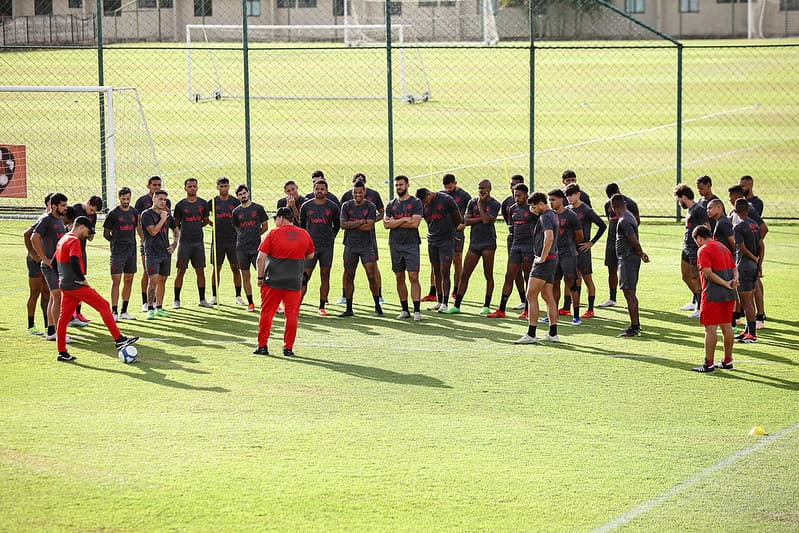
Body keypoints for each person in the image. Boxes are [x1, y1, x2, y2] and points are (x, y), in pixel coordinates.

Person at [53, 216, 138, 362]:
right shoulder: (74, 240)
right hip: (76, 285)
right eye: (87, 231)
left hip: (65, 285)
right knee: (104, 305)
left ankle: (62, 352)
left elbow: (54, 262)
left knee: (64, 318)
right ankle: (119, 340)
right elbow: (73, 261)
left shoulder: (63, 239)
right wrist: (82, 280)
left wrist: (62, 277)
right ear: (80, 227)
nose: (88, 235)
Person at [253, 207, 315, 357]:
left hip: (272, 281)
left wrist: (260, 277)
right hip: (294, 281)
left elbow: (260, 258)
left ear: (281, 218)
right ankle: (288, 348)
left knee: (267, 313)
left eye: (275, 219)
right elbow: (311, 255)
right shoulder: (304, 234)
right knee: (292, 315)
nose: (275, 222)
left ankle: (262, 346)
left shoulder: (273, 233)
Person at [445, 179, 500, 315]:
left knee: (488, 274)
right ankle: (457, 305)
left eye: (484, 188)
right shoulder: (471, 202)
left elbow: (488, 221)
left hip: (488, 243)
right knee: (465, 275)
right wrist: (481, 218)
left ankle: (486, 305)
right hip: (475, 243)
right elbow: (466, 220)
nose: (481, 190)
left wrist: (481, 206)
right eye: (479, 188)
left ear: (490, 189)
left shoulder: (495, 204)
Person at [691, 225, 738, 373]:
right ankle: (727, 361)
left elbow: (707, 272)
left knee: (710, 329)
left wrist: (724, 283)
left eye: (696, 241)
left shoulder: (703, 250)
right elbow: (734, 268)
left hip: (712, 294)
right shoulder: (723, 247)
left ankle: (708, 364)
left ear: (699, 238)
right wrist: (734, 281)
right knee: (727, 327)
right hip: (730, 293)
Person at [514, 192, 560, 344]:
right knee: (548, 296)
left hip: (545, 262)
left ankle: (531, 333)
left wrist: (542, 257)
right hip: (553, 259)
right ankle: (553, 333)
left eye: (534, 207)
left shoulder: (546, 216)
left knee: (530, 295)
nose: (532, 210)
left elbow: (549, 237)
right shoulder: (553, 214)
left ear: (541, 204)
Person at [489, 183, 536, 319]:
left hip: (528, 247)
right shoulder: (512, 209)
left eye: (520, 196)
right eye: (515, 195)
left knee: (528, 277)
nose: (517, 198)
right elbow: (512, 227)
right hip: (516, 246)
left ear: (526, 195)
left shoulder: (532, 209)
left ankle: (528, 309)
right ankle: (501, 309)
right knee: (509, 276)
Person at [338, 172, 385, 306]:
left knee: (372, 269)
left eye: (361, 182)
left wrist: (369, 222)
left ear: (365, 186)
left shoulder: (373, 198)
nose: (358, 194)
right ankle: (345, 298)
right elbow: (343, 223)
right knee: (348, 272)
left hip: (368, 241)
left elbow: (380, 213)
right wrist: (361, 222)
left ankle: (378, 297)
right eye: (355, 191)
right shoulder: (347, 199)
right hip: (350, 243)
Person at [384, 175, 424, 321]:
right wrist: (403, 219)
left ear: (407, 185)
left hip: (411, 245)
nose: (399, 187)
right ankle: (404, 309)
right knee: (399, 276)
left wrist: (396, 222)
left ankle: (417, 310)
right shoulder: (391, 204)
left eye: (401, 185)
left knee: (413, 276)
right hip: (395, 245)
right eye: (396, 185)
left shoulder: (416, 202)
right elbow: (386, 224)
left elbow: (415, 223)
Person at [416, 187, 462, 313]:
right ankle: (439, 300)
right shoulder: (424, 204)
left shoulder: (446, 200)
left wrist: (453, 231)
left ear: (429, 194)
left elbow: (457, 218)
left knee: (445, 270)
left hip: (446, 240)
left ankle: (445, 303)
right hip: (432, 240)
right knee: (436, 270)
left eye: (426, 200)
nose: (426, 204)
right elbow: (427, 220)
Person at [728, 184, 768, 329]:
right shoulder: (739, 215)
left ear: (737, 197)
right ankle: (738, 316)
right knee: (745, 287)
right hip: (747, 258)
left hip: (746, 259)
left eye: (731, 196)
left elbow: (764, 230)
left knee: (753, 286)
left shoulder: (749, 211)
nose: (729, 199)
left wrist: (753, 252)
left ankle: (759, 317)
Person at [30, 192, 69, 342]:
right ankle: (57, 332)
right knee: (57, 296)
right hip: (50, 266)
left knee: (55, 297)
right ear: (53, 206)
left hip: (59, 264)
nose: (65, 208)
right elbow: (34, 237)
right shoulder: (46, 220)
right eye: (62, 205)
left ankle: (52, 330)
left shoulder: (59, 220)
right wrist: (43, 258)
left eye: (65, 205)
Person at [299, 179, 340, 316]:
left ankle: (322, 306)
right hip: (310, 248)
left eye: (322, 189)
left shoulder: (333, 207)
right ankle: (296, 305)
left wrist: (331, 237)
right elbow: (302, 226)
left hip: (327, 247)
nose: (319, 191)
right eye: (317, 189)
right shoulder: (306, 206)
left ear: (326, 191)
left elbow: (337, 225)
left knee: (325, 275)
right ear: (313, 190)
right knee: (305, 276)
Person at [565, 183, 606, 319]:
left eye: (572, 195)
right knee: (574, 278)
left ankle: (590, 309)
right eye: (568, 195)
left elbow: (602, 225)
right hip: (571, 250)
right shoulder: (567, 209)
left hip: (583, 249)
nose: (570, 198)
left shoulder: (586, 210)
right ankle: (573, 306)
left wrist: (591, 242)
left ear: (578, 194)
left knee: (587, 278)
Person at [613, 193, 650, 337]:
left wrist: (640, 252)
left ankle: (635, 327)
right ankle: (635, 325)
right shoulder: (629, 216)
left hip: (627, 259)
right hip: (629, 258)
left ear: (613, 207)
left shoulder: (624, 220)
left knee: (629, 292)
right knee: (630, 292)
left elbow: (633, 240)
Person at [173, 178, 212, 309]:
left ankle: (202, 299)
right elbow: (175, 224)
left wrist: (198, 225)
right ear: (185, 188)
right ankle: (176, 300)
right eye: (190, 186)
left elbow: (206, 220)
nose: (192, 188)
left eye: (194, 186)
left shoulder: (203, 204)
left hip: (198, 243)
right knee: (180, 271)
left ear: (197, 187)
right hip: (184, 243)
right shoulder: (180, 205)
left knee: (200, 271)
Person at [599, 183, 639, 308]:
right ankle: (612, 298)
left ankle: (630, 297)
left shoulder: (629, 204)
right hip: (611, 241)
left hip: (626, 243)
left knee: (629, 271)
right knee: (611, 268)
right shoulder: (608, 205)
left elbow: (637, 221)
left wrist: (627, 234)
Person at [135, 176, 171, 312]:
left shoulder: (165, 206)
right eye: (154, 185)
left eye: (159, 185)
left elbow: (173, 226)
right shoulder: (142, 203)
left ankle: (158, 305)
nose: (157, 187)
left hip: (163, 248)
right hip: (148, 245)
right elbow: (139, 223)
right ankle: (147, 302)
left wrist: (173, 244)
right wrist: (143, 239)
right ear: (148, 186)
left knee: (161, 278)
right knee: (149, 274)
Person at [103, 187, 139, 321]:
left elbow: (137, 227)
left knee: (129, 279)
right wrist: (115, 243)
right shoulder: (113, 214)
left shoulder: (134, 212)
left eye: (128, 199)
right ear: (119, 198)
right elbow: (106, 233)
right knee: (116, 280)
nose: (126, 201)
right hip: (118, 253)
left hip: (131, 251)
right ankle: (114, 311)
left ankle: (124, 310)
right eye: (123, 199)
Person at [231, 184, 269, 312]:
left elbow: (265, 226)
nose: (243, 196)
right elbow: (237, 228)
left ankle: (270, 302)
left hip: (256, 248)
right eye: (240, 194)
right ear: (237, 196)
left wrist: (254, 235)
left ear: (248, 193)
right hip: (241, 248)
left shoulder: (258, 208)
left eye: (244, 193)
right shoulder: (236, 212)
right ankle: (251, 303)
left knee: (263, 275)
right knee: (245, 276)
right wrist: (245, 236)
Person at [141, 190, 178, 319]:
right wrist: (162, 219)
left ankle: (159, 307)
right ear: (154, 199)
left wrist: (174, 244)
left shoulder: (167, 215)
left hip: (165, 253)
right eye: (160, 199)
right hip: (152, 252)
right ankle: (150, 307)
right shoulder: (146, 214)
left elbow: (176, 229)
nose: (163, 202)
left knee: (163, 280)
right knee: (153, 280)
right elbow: (153, 232)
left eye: (165, 200)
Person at [548, 189, 583, 325]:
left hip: (568, 254)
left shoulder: (571, 215)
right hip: (554, 255)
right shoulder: (549, 215)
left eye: (553, 199)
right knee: (554, 284)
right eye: (549, 200)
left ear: (561, 200)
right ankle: (553, 313)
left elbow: (579, 235)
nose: (551, 202)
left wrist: (572, 247)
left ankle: (576, 315)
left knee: (572, 284)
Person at [674, 184, 710, 318]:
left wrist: (703, 247)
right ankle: (696, 299)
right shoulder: (690, 210)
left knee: (696, 278)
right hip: (686, 248)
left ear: (684, 197)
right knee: (686, 276)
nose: (679, 203)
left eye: (679, 200)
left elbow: (707, 227)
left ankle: (701, 307)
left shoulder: (698, 210)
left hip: (695, 249)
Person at [208, 176, 243, 306]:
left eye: (226, 186)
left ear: (229, 186)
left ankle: (238, 296)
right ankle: (214, 296)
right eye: (221, 186)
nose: (224, 188)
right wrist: (213, 224)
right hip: (217, 239)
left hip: (233, 239)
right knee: (216, 268)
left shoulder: (235, 202)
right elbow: (205, 217)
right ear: (217, 187)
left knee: (235, 267)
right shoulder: (212, 202)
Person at [732, 199, 761, 344]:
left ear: (735, 211)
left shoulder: (739, 227)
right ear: (748, 210)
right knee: (749, 300)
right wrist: (759, 263)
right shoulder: (754, 224)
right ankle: (748, 331)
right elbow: (761, 245)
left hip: (744, 266)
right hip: (753, 266)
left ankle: (752, 334)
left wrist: (753, 259)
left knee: (746, 302)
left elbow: (742, 248)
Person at [23, 193, 52, 335]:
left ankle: (48, 325)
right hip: (35, 261)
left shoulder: (55, 220)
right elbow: (27, 233)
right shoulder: (43, 219)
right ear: (48, 204)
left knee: (47, 293)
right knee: (35, 293)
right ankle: (31, 326)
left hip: (46, 260)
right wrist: (31, 252)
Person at [441, 174, 471, 302]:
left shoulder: (464, 196)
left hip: (457, 233)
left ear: (455, 183)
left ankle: (456, 288)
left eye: (450, 186)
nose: (448, 189)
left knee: (457, 259)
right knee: (440, 262)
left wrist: (463, 223)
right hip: (443, 233)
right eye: (446, 187)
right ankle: (437, 291)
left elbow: (470, 211)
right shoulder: (441, 195)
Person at [499, 174, 527, 310]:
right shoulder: (507, 204)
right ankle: (519, 301)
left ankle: (529, 304)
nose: (513, 188)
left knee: (529, 274)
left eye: (516, 185)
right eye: (511, 185)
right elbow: (509, 222)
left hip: (528, 244)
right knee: (513, 272)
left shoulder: (531, 205)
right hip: (514, 241)